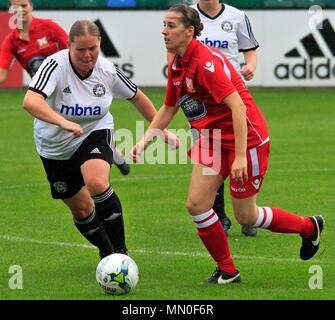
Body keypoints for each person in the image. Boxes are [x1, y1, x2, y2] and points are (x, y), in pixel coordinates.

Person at [131, 4, 325, 284]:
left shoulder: (205, 63)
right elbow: (169, 107)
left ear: (189, 30)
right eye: (164, 24)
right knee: (197, 203)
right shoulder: (177, 62)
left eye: (171, 26)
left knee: (246, 216)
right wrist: (145, 140)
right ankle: (228, 271)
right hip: (213, 139)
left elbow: (238, 108)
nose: (164, 31)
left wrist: (241, 157)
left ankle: (308, 227)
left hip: (247, 139)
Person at [22, 20, 179, 259]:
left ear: (99, 44)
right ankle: (106, 253)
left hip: (95, 130)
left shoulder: (107, 70)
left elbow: (137, 97)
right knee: (82, 208)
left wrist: (162, 131)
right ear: (68, 46)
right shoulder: (54, 65)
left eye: (92, 49)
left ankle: (120, 254)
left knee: (96, 182)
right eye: (81, 50)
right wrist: (62, 122)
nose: (88, 55)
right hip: (55, 145)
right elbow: (30, 101)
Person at [0, 0, 130, 175]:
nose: (20, 10)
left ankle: (111, 153)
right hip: (48, 96)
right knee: (66, 131)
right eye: (15, 6)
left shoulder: (49, 27)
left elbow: (73, 49)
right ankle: (104, 156)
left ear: (31, 6)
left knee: (90, 118)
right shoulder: (11, 41)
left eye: (24, 5)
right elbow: (2, 75)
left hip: (72, 86)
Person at [189, 0, 259, 236]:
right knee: (210, 159)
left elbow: (249, 48)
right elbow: (176, 53)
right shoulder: (187, 15)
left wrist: (250, 65)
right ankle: (219, 216)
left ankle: (248, 214)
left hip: (232, 96)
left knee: (243, 151)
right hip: (203, 102)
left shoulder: (237, 16)